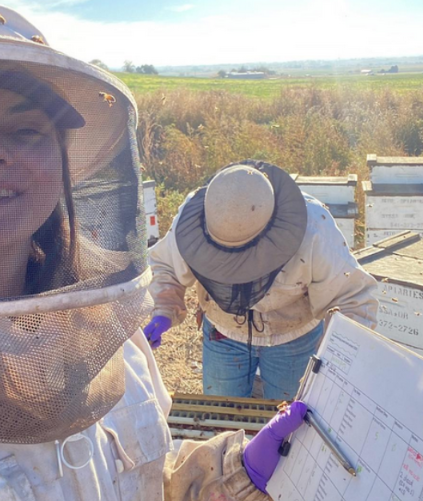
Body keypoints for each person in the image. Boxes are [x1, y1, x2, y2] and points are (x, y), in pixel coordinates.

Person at [0, 1, 305, 500]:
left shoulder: (110, 331)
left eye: (26, 130)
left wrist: (226, 476)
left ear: (61, 172)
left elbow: (139, 481)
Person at [144, 161, 378, 399]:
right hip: (223, 332)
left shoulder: (314, 228)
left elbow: (352, 299)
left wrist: (337, 360)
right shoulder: (195, 216)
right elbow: (166, 265)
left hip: (293, 337)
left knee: (287, 421)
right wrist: (163, 308)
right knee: (224, 422)